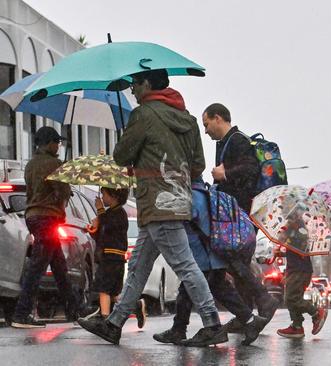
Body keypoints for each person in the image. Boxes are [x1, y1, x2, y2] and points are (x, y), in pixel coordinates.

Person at [78, 69, 225, 347]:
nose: (132, 89)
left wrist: (134, 145)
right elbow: (198, 166)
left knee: (185, 265)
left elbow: (122, 156)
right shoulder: (190, 120)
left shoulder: (143, 115)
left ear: (148, 84)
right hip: (177, 199)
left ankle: (212, 322)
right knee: (139, 264)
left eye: (135, 84)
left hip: (155, 202)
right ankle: (115, 322)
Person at [153, 178, 267, 346]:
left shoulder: (190, 197)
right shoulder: (209, 194)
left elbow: (182, 222)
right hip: (216, 252)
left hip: (202, 256)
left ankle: (191, 329)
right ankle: (249, 321)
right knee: (212, 288)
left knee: (191, 286)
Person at [202, 103, 280, 328]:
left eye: (206, 124)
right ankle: (247, 316)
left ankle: (260, 303)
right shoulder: (225, 143)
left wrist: (224, 174)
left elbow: (251, 170)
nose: (206, 131)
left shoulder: (238, 140)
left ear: (218, 118)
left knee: (232, 262)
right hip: (233, 213)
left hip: (240, 214)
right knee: (237, 264)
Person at [11, 127, 77, 328]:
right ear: (48, 143)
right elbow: (63, 192)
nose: (59, 146)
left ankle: (74, 310)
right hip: (48, 218)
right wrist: (65, 174)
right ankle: (21, 314)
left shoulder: (30, 165)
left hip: (33, 217)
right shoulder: (55, 164)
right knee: (37, 267)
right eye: (56, 142)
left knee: (59, 266)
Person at [83, 187, 146, 328]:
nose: (102, 197)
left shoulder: (119, 213)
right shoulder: (110, 213)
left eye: (104, 194)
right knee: (113, 293)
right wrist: (94, 230)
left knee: (104, 288)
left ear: (114, 196)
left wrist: (100, 212)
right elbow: (104, 234)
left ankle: (105, 319)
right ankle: (135, 306)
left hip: (112, 257)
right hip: (109, 256)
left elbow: (109, 225)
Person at [275, 213, 327, 339]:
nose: (287, 222)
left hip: (299, 270)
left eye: (289, 219)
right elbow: (295, 251)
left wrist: (284, 236)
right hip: (295, 269)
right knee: (292, 297)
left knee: (291, 298)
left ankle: (316, 312)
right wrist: (282, 254)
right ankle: (297, 326)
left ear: (296, 219)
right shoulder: (294, 233)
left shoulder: (300, 233)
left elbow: (300, 250)